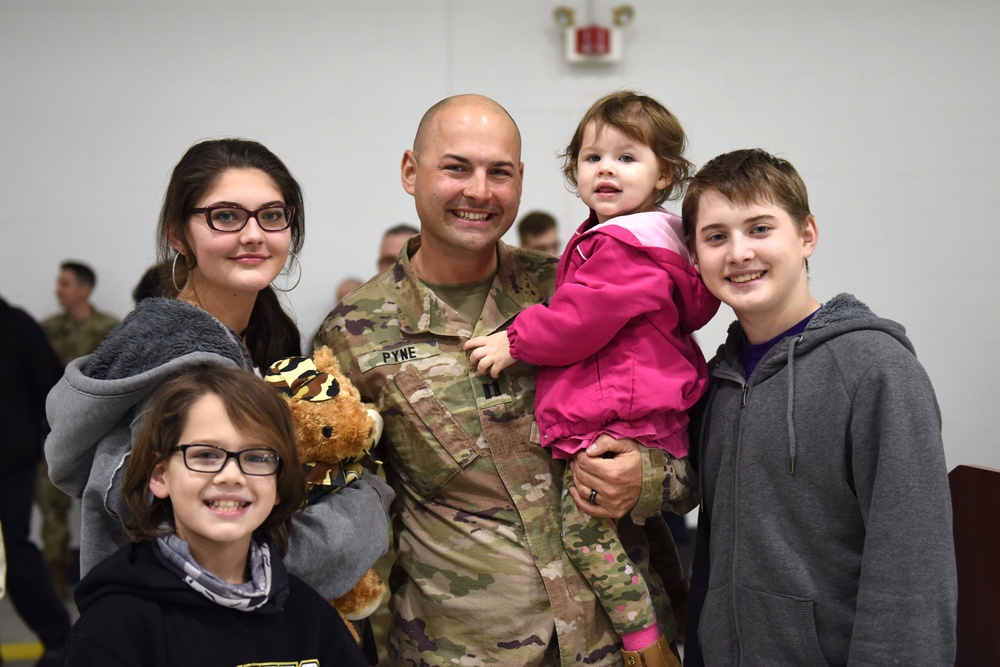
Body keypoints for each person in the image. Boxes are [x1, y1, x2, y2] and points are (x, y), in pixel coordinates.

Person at [315, 94, 696, 666]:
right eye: (455, 167)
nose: (479, 191)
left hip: (618, 645)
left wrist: (645, 477)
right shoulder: (352, 336)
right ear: (410, 172)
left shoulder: (581, 290)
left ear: (520, 181)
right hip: (464, 651)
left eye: (499, 172)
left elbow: (694, 453)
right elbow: (349, 526)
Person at [45, 139, 392, 604]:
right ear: (177, 234)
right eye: (225, 217)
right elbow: (228, 563)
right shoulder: (181, 374)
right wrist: (368, 498)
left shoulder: (264, 335)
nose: (253, 234)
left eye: (271, 215)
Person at [466, 90, 718, 665]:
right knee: (638, 532)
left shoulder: (627, 247)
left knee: (582, 532)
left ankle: (645, 645)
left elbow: (581, 320)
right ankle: (675, 607)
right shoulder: (633, 240)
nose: (605, 168)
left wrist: (515, 339)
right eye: (591, 157)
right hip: (631, 406)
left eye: (628, 158)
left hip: (622, 412)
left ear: (666, 175)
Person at [681, 149, 957, 666]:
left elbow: (913, 573)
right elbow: (713, 564)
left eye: (760, 229)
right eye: (716, 236)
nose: (739, 252)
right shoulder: (716, 382)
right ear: (695, 259)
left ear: (807, 235)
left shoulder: (877, 370)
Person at [61, 366, 368, 666]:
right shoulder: (114, 629)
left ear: (277, 485)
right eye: (206, 455)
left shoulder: (310, 618)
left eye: (257, 457)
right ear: (160, 476)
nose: (231, 475)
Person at [39, 261, 121, 595]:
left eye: (66, 284)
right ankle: (55, 575)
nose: (59, 290)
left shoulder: (111, 329)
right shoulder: (46, 330)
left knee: (107, 503)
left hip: (101, 434)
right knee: (50, 507)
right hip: (54, 433)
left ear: (84, 289)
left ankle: (111, 575)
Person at [0, 295, 71, 666]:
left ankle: (59, 639)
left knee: (15, 551)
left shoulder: (14, 324)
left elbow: (51, 386)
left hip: (9, 463)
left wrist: (47, 443)